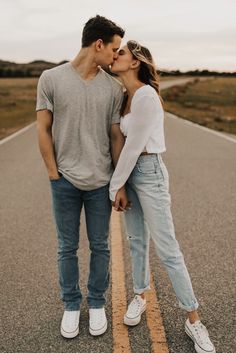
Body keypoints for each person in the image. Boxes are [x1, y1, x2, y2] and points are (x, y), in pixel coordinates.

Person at [109, 40, 215, 353]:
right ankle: (140, 296)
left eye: (121, 53)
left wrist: (115, 186)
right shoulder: (123, 96)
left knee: (168, 248)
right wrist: (123, 185)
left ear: (135, 62)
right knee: (137, 241)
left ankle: (193, 319)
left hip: (149, 171)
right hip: (132, 172)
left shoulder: (146, 96)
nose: (115, 56)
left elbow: (133, 146)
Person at [36, 15, 128, 339]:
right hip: (65, 182)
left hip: (101, 181)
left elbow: (116, 137)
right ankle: (72, 305)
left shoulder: (114, 88)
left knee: (101, 246)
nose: (116, 56)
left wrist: (118, 183)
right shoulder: (50, 78)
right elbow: (43, 129)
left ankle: (98, 302)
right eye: (114, 50)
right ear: (98, 44)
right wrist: (53, 173)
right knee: (67, 247)